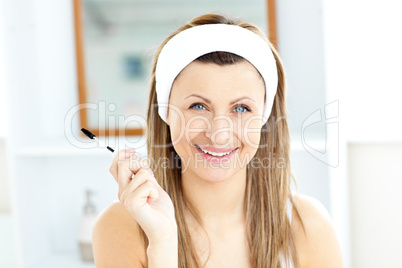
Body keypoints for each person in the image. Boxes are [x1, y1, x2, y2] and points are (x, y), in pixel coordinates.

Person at [92, 13, 343, 268]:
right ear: (167, 112)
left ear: (264, 118)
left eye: (242, 109)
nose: (219, 134)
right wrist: (163, 240)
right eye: (198, 106)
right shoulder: (120, 227)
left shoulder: (308, 226)